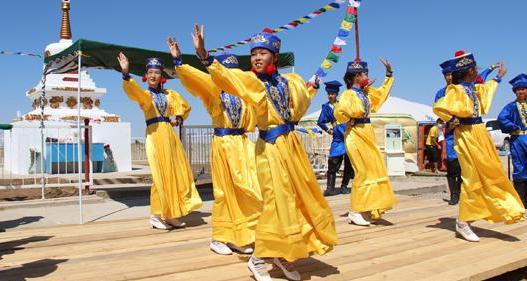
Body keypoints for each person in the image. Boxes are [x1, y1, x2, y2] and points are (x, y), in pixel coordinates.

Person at [192, 25, 337, 281]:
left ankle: (281, 253)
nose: (257, 57)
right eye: (254, 53)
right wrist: (205, 57)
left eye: (263, 52)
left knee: (296, 199)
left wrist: (312, 85)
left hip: (291, 146)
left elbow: (301, 103)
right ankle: (259, 257)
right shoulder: (250, 82)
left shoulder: (290, 81)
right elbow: (227, 77)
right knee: (275, 201)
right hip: (269, 148)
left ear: (275, 57)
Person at [167, 37, 262, 255]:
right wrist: (179, 61)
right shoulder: (214, 90)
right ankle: (220, 237)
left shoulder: (244, 91)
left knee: (249, 189)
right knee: (226, 191)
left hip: (244, 143)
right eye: (228, 74)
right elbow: (196, 78)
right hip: (224, 144)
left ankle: (243, 235)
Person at [433, 51, 524, 242]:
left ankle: (504, 207)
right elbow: (439, 107)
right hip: (466, 135)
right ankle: (464, 221)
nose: (476, 71)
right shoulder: (456, 90)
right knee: (472, 176)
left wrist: (498, 77)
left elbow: (486, 89)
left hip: (479, 132)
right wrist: (453, 119)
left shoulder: (471, 88)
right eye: (474, 68)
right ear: (468, 70)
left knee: (491, 171)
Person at [117, 53, 203, 230]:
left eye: (156, 72)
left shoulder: (170, 94)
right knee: (160, 175)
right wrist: (126, 74)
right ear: (146, 75)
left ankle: (171, 214)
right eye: (150, 72)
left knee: (175, 173)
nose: (153, 75)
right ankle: (156, 214)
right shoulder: (146, 95)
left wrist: (178, 118)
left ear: (161, 75)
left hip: (169, 136)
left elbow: (185, 107)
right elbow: (135, 93)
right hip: (155, 135)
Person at [334, 58, 397, 226]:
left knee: (374, 170)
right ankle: (355, 210)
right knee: (362, 171)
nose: (367, 76)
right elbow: (340, 112)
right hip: (355, 135)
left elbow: (381, 95)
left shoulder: (365, 93)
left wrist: (389, 74)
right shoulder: (349, 94)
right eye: (364, 74)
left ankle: (368, 207)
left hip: (367, 133)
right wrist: (350, 119)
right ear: (356, 76)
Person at [435, 54, 500, 205]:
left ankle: (467, 196)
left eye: (450, 74)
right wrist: (450, 121)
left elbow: (481, 80)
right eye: (446, 75)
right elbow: (439, 112)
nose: (449, 77)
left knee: (472, 168)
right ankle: (455, 195)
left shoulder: (470, 88)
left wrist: (492, 70)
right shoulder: (446, 92)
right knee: (454, 166)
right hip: (455, 133)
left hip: (473, 131)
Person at [317, 80, 355, 196]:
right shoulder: (326, 107)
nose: (330, 95)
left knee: (349, 163)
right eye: (328, 93)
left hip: (348, 134)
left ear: (336, 94)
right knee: (333, 161)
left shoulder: (342, 104)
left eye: (332, 93)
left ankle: (344, 186)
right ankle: (330, 188)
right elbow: (320, 121)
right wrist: (328, 130)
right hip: (337, 137)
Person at [497, 73, 527, 208]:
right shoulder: (511, 106)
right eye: (517, 89)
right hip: (518, 139)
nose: (520, 91)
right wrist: (512, 127)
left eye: (523, 88)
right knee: (520, 168)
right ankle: (521, 201)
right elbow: (502, 118)